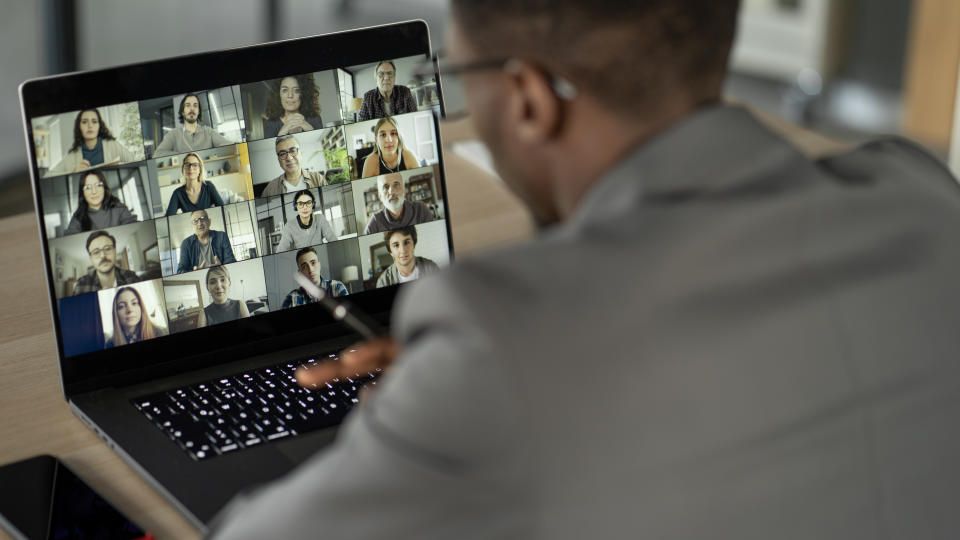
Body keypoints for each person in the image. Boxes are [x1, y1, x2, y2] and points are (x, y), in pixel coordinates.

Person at [211, 1, 960, 538]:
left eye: (465, 75)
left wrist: (434, 412)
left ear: (532, 99)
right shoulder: (923, 195)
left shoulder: (500, 337)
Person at [46, 109, 137, 176]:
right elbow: (48, 176)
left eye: (94, 122)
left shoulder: (112, 145)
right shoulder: (72, 156)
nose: (90, 126)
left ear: (99, 126)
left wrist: (119, 167)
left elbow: (135, 162)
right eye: (85, 122)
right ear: (79, 127)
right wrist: (73, 172)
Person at [153, 93, 233, 157]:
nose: (192, 108)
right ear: (182, 112)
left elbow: (228, 145)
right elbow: (157, 154)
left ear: (198, 112)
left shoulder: (209, 132)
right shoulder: (173, 134)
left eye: (195, 105)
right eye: (188, 105)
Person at [63, 170, 138, 235]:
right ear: (82, 192)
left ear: (104, 187)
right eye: (88, 187)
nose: (94, 191)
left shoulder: (119, 208)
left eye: (98, 185)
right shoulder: (78, 217)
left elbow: (133, 226)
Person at [71, 231, 142, 296]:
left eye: (107, 249)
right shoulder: (81, 285)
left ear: (115, 251)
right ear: (91, 259)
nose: (102, 256)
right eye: (96, 252)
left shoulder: (132, 278)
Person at [363, 172, 434, 234]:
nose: (391, 191)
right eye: (386, 187)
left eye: (396, 185)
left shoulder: (420, 209)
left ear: (404, 190)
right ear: (380, 196)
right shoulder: (375, 223)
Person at [259, 134, 327, 197]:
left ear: (301, 154)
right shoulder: (269, 190)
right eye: (282, 154)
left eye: (293, 151)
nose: (289, 158)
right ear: (279, 160)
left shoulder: (317, 179)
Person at [281, 247, 348, 308]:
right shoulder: (291, 299)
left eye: (313, 263)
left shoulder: (337, 287)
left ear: (319, 265)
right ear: (300, 273)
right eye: (304, 267)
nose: (311, 270)